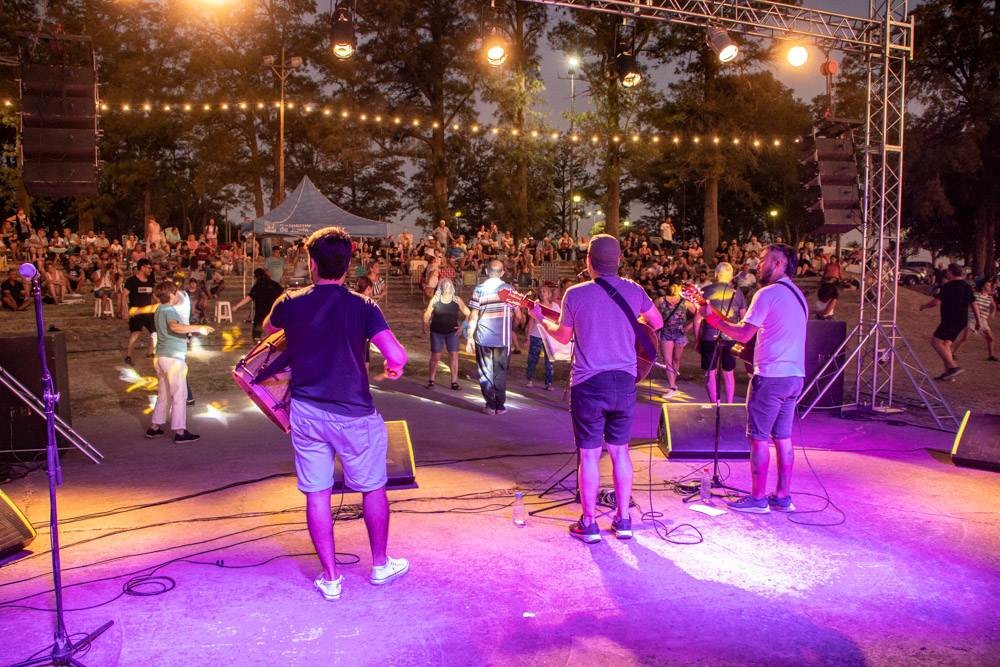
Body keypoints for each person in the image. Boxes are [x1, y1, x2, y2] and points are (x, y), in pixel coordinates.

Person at [263, 226, 409, 601]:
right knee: (373, 487)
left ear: (312, 263)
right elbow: (397, 356)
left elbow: (267, 332)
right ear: (348, 265)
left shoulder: (289, 301)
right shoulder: (363, 306)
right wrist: (393, 368)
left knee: (317, 493)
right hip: (355, 414)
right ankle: (379, 565)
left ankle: (330, 578)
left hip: (308, 411)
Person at [528, 235, 662, 542]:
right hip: (625, 382)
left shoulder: (575, 294)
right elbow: (655, 321)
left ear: (589, 262)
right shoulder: (634, 289)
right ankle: (624, 520)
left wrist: (539, 319)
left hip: (589, 382)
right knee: (621, 452)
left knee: (589, 455)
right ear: (618, 261)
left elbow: (563, 337)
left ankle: (589, 524)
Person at [697, 244, 807, 513]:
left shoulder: (767, 293)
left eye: (762, 260)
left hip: (771, 377)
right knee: (782, 437)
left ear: (778, 263)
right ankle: (782, 496)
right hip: (795, 376)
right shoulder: (798, 295)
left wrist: (711, 318)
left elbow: (743, 335)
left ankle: (758, 499)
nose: (758, 265)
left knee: (758, 437)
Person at [145, 280, 212, 443]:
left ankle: (155, 427)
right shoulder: (170, 310)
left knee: (164, 394)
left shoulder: (159, 309)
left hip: (161, 356)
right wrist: (198, 328)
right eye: (175, 293)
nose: (177, 296)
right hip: (173, 358)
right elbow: (174, 327)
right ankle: (180, 431)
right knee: (179, 394)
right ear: (170, 295)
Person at [466, 259, 519, 414]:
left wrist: (470, 337)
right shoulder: (510, 290)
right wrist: (510, 326)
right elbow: (519, 315)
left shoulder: (479, 289)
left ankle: (490, 404)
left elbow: (474, 315)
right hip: (503, 338)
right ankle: (500, 405)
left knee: (485, 371)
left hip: (483, 337)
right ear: (502, 272)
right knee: (500, 371)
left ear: (487, 271)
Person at [693, 262, 746, 404]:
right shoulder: (738, 293)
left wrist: (698, 340)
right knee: (729, 373)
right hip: (731, 337)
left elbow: (698, 320)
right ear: (730, 276)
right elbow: (744, 318)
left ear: (716, 274)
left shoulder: (705, 291)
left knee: (710, 373)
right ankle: (729, 404)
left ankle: (714, 404)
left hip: (709, 337)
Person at [919, 263, 975, 380]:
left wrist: (924, 306)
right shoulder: (967, 286)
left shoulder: (949, 286)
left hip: (950, 319)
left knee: (936, 342)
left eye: (948, 271)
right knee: (946, 344)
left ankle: (953, 367)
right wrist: (978, 320)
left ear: (951, 272)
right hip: (962, 320)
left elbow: (936, 302)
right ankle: (949, 374)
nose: (946, 273)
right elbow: (974, 304)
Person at [422, 278, 470, 390]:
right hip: (437, 331)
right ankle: (431, 380)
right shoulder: (435, 299)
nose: (447, 287)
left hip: (452, 332)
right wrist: (425, 324)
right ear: (440, 287)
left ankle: (454, 382)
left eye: (449, 285)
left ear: (452, 287)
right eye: (444, 285)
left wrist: (463, 326)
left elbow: (469, 314)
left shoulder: (457, 300)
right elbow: (427, 313)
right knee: (436, 356)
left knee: (454, 355)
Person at [657, 283, 695, 398]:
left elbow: (698, 314)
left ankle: (673, 384)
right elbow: (654, 315)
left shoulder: (686, 302)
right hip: (666, 333)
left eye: (676, 286)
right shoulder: (660, 300)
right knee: (668, 360)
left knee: (676, 359)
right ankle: (672, 386)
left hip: (680, 334)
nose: (674, 288)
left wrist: (688, 327)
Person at [952, 278, 997, 362]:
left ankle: (991, 356)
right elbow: (968, 303)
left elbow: (993, 306)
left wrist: (992, 313)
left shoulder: (990, 298)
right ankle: (952, 353)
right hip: (972, 318)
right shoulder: (975, 295)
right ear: (983, 287)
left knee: (990, 338)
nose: (990, 287)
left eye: (990, 286)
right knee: (965, 337)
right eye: (988, 286)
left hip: (983, 320)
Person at [525, 283, 560, 390]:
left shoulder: (555, 307)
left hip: (550, 337)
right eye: (540, 291)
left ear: (549, 293)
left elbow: (558, 321)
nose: (542, 293)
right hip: (536, 335)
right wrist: (528, 337)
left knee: (549, 361)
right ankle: (530, 380)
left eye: (544, 291)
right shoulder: (536, 306)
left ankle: (548, 383)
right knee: (532, 359)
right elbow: (531, 321)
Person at [233, 268, 284, 340]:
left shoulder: (258, 285)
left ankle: (257, 339)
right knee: (275, 329)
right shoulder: (274, 284)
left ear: (256, 276)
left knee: (257, 331)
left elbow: (249, 298)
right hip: (273, 310)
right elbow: (283, 294)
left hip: (261, 311)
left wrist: (237, 306)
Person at [124, 259, 156, 365]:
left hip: (149, 312)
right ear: (142, 267)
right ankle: (128, 356)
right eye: (149, 267)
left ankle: (150, 353)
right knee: (136, 333)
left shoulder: (150, 280)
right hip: (136, 312)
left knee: (155, 333)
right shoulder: (131, 281)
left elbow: (153, 295)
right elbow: (124, 296)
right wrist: (124, 310)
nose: (150, 270)